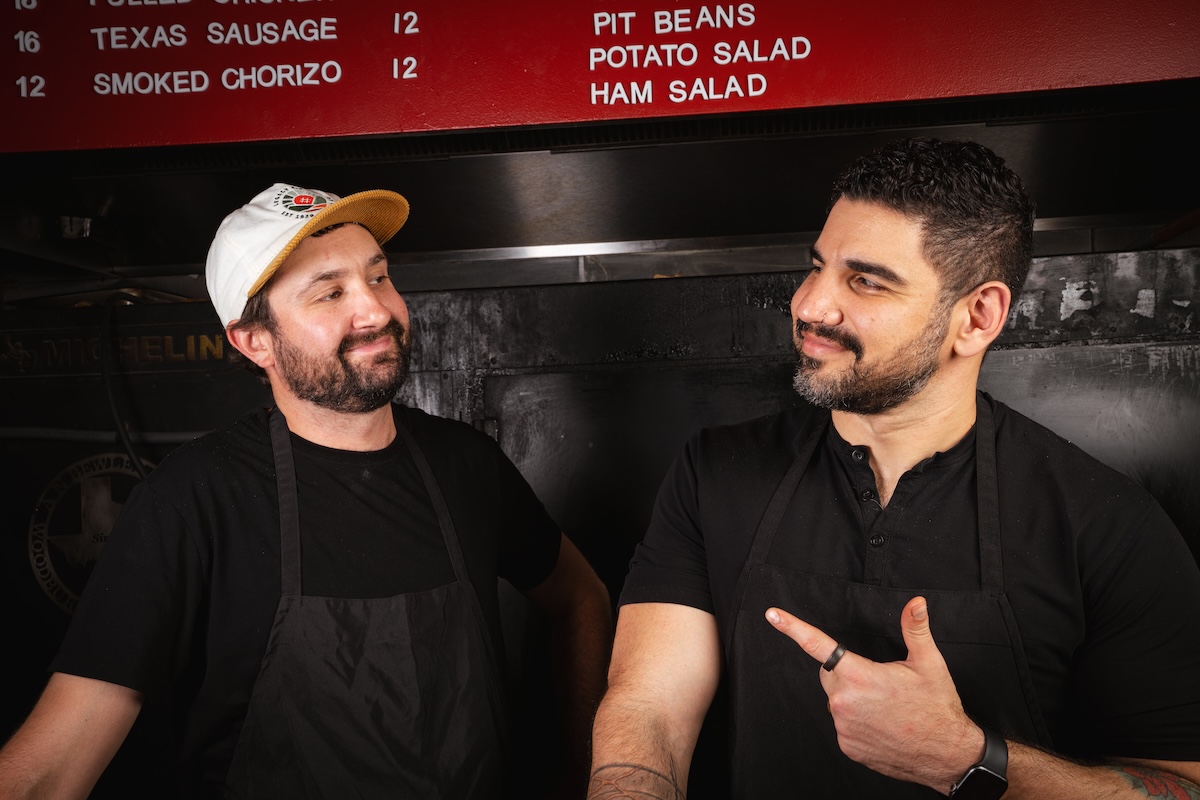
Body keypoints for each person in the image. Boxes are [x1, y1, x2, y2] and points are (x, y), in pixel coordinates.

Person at [588, 138, 1200, 799]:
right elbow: (648, 706)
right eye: (817, 266)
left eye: (867, 281)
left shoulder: (1105, 525)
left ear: (977, 316)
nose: (809, 306)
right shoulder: (716, 473)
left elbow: (1183, 786)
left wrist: (967, 760)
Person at [0, 184, 612, 799]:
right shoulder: (191, 499)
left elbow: (581, 595)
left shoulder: (466, 463)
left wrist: (584, 772)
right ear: (254, 341)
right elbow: (52, 767)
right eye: (330, 293)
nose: (375, 310)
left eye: (378, 277)